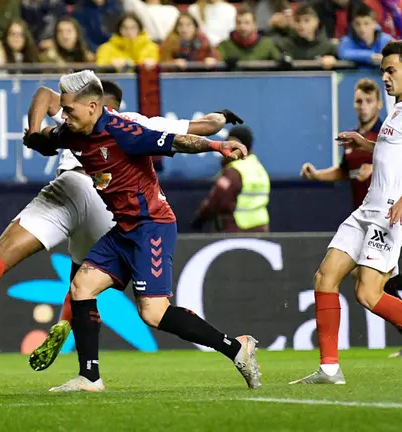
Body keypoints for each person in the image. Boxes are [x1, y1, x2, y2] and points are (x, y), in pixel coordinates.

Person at [0, 80, 244, 357]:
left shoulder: (71, 121)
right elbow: (203, 127)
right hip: (104, 201)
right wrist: (222, 118)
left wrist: (32, 132)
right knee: (83, 276)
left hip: (67, 186)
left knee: (0, 257)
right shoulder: (138, 121)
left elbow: (43, 94)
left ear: (91, 105)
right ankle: (64, 324)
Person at [23, 70, 261, 392]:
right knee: (81, 286)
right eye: (63, 109)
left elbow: (178, 141)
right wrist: (33, 137)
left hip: (152, 228)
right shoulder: (72, 132)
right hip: (123, 230)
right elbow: (48, 141)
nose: (64, 115)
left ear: (93, 107)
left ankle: (236, 348)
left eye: (69, 110)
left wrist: (217, 146)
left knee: (153, 313)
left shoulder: (125, 132)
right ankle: (89, 378)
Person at [291, 40, 402, 385]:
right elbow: (398, 150)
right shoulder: (398, 108)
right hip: (368, 208)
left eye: (391, 70)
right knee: (325, 278)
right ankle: (329, 369)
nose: (385, 76)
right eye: (383, 70)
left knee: (367, 293)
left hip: (391, 213)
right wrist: (365, 143)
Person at [300, 78, 402, 357]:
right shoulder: (361, 137)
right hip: (364, 212)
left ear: (378, 104)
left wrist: (378, 172)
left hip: (391, 213)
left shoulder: (390, 128)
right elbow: (343, 171)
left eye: (368, 101)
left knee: (369, 285)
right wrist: (317, 174)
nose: (363, 107)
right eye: (358, 102)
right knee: (363, 281)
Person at [192, 125, 271, 233]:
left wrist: (199, 219)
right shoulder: (259, 169)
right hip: (260, 229)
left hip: (236, 231)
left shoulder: (234, 171)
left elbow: (217, 200)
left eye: (231, 142)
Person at [217, 7, 283, 63]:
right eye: (238, 22)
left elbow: (280, 61)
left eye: (247, 23)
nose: (242, 26)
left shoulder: (267, 44)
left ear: (255, 25)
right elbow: (215, 62)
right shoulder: (224, 45)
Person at [95, 13, 159, 69]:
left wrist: (153, 66)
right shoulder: (106, 49)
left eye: (133, 27)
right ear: (119, 30)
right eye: (125, 28)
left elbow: (161, 67)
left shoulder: (152, 48)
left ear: (140, 30)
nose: (129, 32)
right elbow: (99, 67)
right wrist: (110, 64)